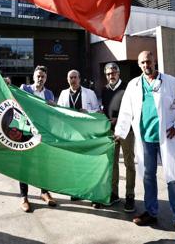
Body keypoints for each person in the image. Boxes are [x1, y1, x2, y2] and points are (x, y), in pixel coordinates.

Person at [114, 51, 175, 243]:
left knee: (173, 179)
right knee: (148, 177)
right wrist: (120, 131)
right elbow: (126, 111)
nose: (146, 65)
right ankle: (151, 212)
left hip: (166, 139)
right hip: (145, 139)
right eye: (143, 62)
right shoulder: (134, 84)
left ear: (155, 62)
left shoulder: (170, 82)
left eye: (149, 62)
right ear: (139, 64)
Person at [17, 65, 57, 212]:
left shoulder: (49, 94)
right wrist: (7, 82)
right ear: (34, 76)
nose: (40, 79)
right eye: (38, 76)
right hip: (26, 132)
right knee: (25, 164)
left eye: (43, 76)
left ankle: (44, 192)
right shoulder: (25, 89)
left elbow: (52, 114)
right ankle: (24, 197)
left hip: (43, 133)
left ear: (46, 78)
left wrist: (54, 107)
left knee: (43, 164)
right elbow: (15, 100)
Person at [57, 69, 100, 202]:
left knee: (89, 163)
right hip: (71, 135)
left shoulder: (89, 93)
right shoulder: (64, 93)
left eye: (75, 77)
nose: (73, 80)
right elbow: (58, 112)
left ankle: (93, 194)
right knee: (74, 164)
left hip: (86, 134)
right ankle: (77, 191)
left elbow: (97, 111)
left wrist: (88, 111)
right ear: (67, 79)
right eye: (71, 77)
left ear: (80, 79)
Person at [99, 62, 135, 212]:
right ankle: (114, 193)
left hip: (126, 131)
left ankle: (130, 195)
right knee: (112, 164)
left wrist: (119, 119)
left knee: (129, 163)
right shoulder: (105, 90)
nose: (110, 76)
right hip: (111, 132)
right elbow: (106, 109)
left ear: (118, 73)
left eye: (113, 73)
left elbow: (134, 108)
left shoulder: (128, 87)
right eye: (108, 74)